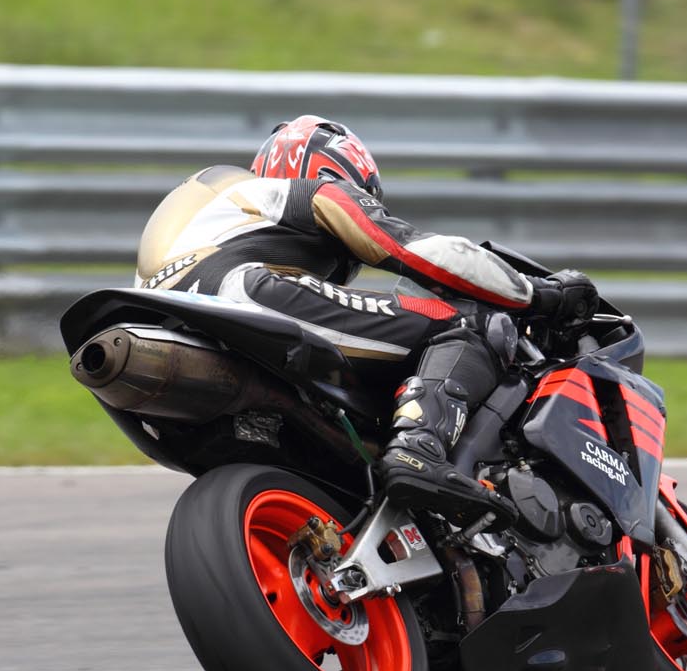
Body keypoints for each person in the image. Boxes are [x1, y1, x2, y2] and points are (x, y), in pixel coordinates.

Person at [135, 115, 598, 521]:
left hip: (159, 332)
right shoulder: (310, 192)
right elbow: (416, 250)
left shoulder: (219, 206)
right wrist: (540, 294)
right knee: (469, 324)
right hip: (238, 291)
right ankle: (419, 448)